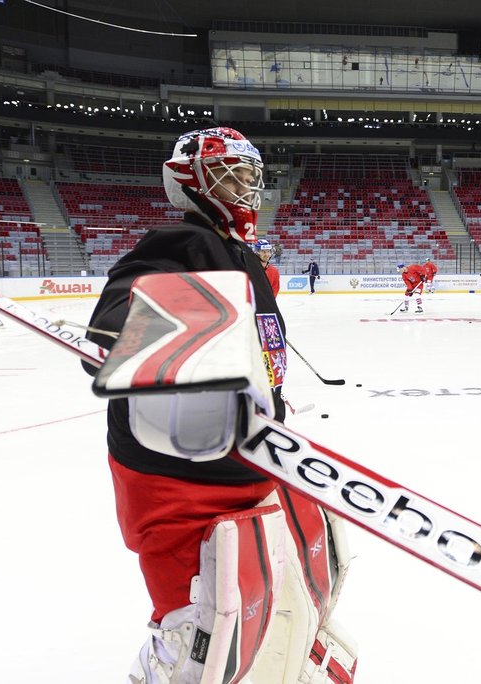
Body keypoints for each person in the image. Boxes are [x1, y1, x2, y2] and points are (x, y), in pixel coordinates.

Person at [82, 127, 356, 684]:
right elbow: (123, 311)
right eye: (231, 173)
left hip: (243, 458)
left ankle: (283, 653)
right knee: (197, 625)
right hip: (181, 474)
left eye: (251, 174)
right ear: (191, 183)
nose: (247, 186)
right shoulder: (180, 244)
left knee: (274, 580)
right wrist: (127, 328)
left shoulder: (240, 256)